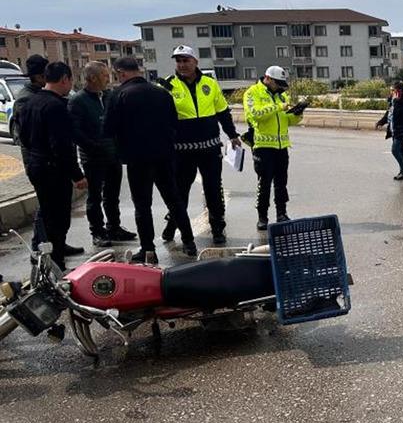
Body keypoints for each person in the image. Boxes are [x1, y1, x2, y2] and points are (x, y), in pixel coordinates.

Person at [104, 57, 196, 263]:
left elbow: (108, 129)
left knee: (142, 206)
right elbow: (174, 122)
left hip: (137, 158)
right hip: (164, 156)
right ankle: (189, 242)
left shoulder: (119, 95)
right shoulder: (162, 93)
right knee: (174, 200)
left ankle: (148, 250)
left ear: (121, 73)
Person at [158, 45, 240, 245]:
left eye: (186, 60)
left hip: (209, 149)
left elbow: (222, 112)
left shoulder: (210, 84)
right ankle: (174, 223)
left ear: (195, 62)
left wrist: (232, 135)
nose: (182, 65)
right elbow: (160, 119)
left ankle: (218, 228)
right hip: (182, 151)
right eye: (178, 61)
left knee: (213, 189)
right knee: (179, 192)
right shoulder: (168, 86)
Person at [16, 62, 88, 270]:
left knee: (48, 214)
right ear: (64, 79)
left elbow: (24, 138)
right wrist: (77, 175)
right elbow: (62, 146)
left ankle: (53, 254)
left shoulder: (30, 102)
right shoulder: (56, 107)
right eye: (70, 80)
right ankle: (56, 262)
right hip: (53, 169)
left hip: (36, 164)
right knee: (58, 216)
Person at [69, 61, 137, 248]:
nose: (108, 79)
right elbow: (75, 132)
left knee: (112, 195)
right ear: (92, 78)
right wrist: (93, 147)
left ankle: (114, 227)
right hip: (93, 158)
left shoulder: (109, 96)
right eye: (105, 76)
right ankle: (97, 231)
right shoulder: (78, 101)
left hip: (113, 154)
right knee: (94, 197)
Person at [242, 66, 305, 230]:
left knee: (281, 183)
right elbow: (254, 114)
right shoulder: (252, 93)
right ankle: (262, 217)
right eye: (277, 83)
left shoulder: (281, 95)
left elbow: (287, 121)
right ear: (267, 78)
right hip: (263, 146)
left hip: (282, 146)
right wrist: (278, 107)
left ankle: (281, 214)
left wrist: (297, 113)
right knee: (264, 183)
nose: (280, 87)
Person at [375, 81, 403, 180]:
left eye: (393, 90)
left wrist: (396, 102)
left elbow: (401, 115)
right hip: (394, 130)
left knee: (395, 150)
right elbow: (388, 114)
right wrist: (380, 122)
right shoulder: (392, 101)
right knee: (400, 151)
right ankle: (402, 173)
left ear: (399, 91)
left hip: (402, 130)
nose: (391, 92)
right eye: (391, 90)